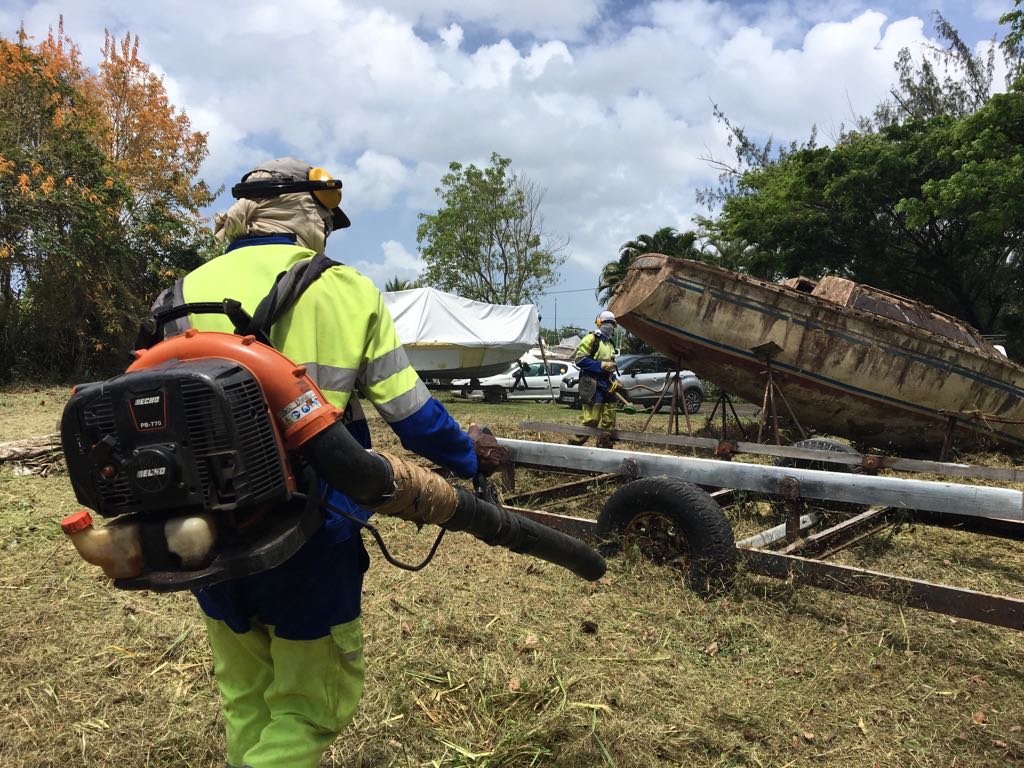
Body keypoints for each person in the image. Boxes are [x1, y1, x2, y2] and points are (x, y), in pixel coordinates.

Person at [148, 158, 502, 768]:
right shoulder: (345, 289)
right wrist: (471, 456)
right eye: (326, 223)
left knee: (246, 699)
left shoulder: (179, 295)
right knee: (313, 706)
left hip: (205, 534)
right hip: (311, 529)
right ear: (307, 214)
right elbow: (413, 417)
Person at [569, 310, 619, 448]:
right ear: (599, 323)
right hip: (592, 383)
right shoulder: (591, 339)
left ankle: (605, 447)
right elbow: (579, 360)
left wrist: (614, 379)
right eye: (607, 322)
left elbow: (611, 365)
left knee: (609, 419)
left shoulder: (610, 344)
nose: (609, 325)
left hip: (607, 383)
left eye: (612, 323)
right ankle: (573, 444)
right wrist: (601, 365)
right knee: (592, 419)